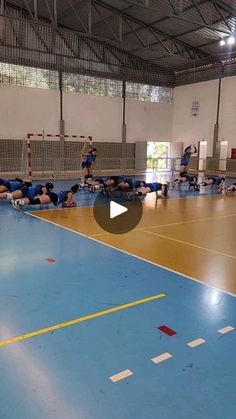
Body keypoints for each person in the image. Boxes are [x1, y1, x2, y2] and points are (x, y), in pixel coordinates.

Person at [12, 184, 79, 210]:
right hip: (53, 197)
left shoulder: (66, 191)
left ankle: (18, 201)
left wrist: (66, 203)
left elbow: (63, 204)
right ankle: (18, 202)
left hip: (52, 195)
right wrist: (73, 205)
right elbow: (67, 205)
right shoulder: (70, 194)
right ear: (75, 191)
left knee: (35, 200)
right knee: (36, 201)